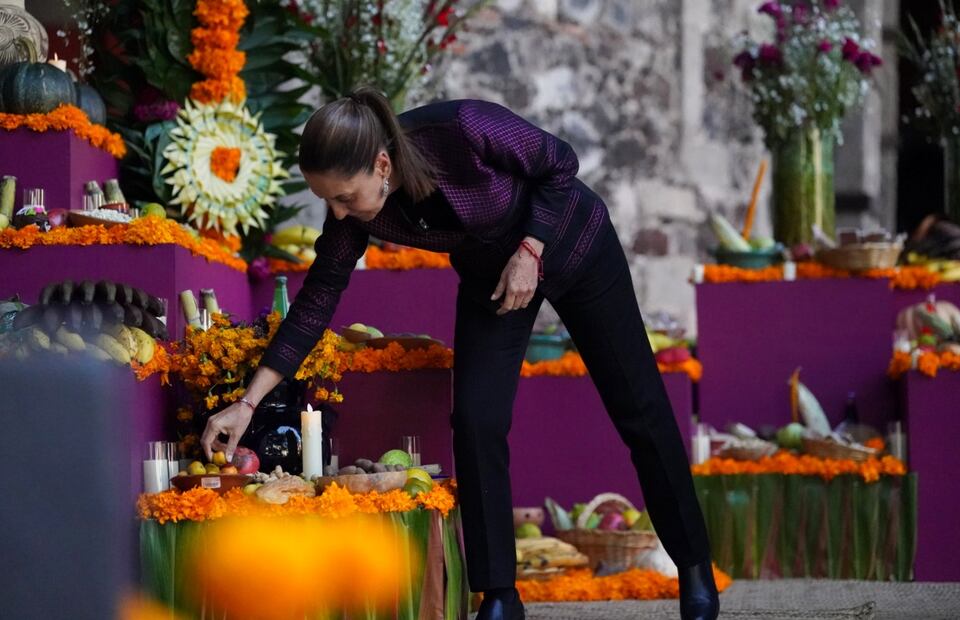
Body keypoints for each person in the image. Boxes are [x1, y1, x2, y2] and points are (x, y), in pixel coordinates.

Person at [201, 86, 719, 620]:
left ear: (382, 165)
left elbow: (560, 162)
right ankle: (499, 596)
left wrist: (531, 249)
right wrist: (248, 403)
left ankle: (695, 568)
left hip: (574, 247)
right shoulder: (353, 211)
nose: (338, 211)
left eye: (345, 197)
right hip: (492, 281)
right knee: (476, 419)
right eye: (327, 200)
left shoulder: (464, 129)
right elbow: (317, 299)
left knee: (638, 407)